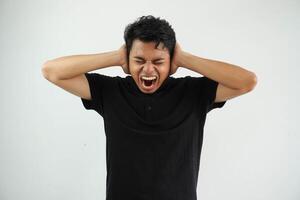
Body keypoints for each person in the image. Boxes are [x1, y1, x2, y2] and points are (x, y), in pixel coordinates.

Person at [42, 15, 257, 200]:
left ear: (171, 62)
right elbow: (51, 71)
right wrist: (116, 57)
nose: (148, 69)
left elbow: (247, 81)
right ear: (128, 60)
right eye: (139, 60)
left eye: (158, 61)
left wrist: (184, 58)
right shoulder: (110, 91)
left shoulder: (193, 93)